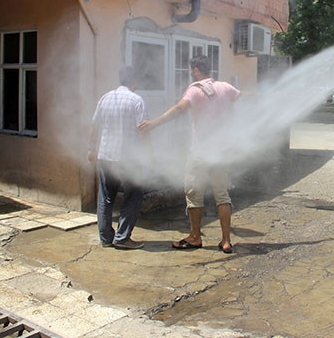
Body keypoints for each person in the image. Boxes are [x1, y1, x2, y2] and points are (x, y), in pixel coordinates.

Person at [139, 55, 240, 254]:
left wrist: (153, 125)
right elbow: (245, 97)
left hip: (200, 152)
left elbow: (178, 109)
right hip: (220, 151)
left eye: (191, 70)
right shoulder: (225, 87)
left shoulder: (195, 90)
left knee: (194, 194)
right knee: (222, 195)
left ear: (195, 69)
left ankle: (195, 237)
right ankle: (226, 240)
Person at [88, 65, 147, 250]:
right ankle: (122, 238)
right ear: (134, 81)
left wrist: (91, 149)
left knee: (105, 197)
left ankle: (106, 239)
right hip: (128, 159)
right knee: (134, 195)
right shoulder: (136, 100)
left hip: (105, 155)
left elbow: (94, 126)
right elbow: (143, 130)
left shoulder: (105, 98)